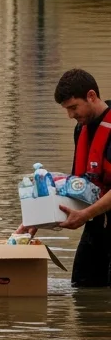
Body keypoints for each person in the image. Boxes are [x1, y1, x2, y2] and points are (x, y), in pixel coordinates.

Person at [23, 69, 111, 287]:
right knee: (82, 287)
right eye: (67, 110)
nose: (70, 115)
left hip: (94, 216)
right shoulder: (80, 129)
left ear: (91, 96)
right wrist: (36, 220)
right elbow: (76, 187)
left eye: (73, 107)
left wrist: (84, 215)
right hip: (96, 224)